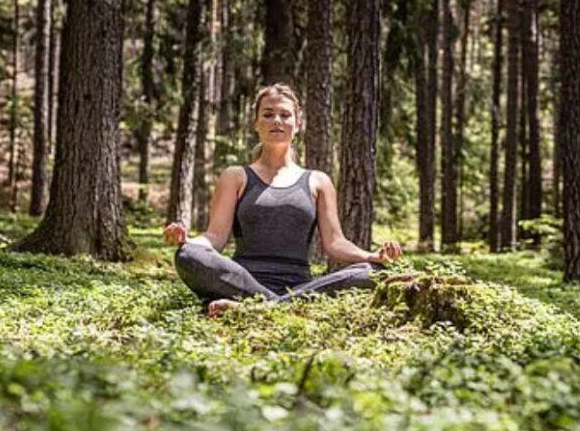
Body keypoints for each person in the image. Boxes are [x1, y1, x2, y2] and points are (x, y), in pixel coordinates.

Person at [164, 83, 403, 316]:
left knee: (374, 272)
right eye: (268, 114)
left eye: (285, 115)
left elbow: (335, 243)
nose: (276, 120)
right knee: (187, 256)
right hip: (241, 282)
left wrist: (371, 256)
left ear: (297, 124)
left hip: (300, 287)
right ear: (256, 123)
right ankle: (277, 307)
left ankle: (256, 308)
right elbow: (215, 237)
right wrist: (189, 241)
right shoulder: (235, 176)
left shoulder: (317, 181)